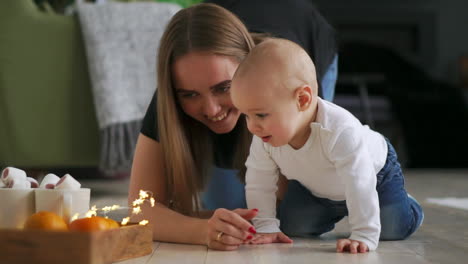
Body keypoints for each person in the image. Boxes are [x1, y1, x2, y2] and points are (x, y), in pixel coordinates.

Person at [230, 38, 424, 253]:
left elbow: (358, 181)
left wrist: (363, 234)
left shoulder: (339, 130)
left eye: (260, 114)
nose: (252, 127)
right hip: (319, 189)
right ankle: (341, 209)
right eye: (246, 116)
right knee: (294, 227)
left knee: (393, 229)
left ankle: (408, 204)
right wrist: (265, 226)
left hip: (374, 177)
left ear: (302, 100)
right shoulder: (264, 135)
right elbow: (259, 180)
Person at [206, 0, 338, 101]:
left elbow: (314, 124)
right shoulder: (205, 29)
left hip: (311, 32)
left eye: (224, 88)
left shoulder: (288, 69)